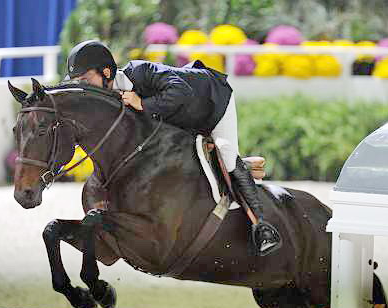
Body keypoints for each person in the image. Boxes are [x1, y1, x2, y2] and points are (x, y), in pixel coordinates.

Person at [66, 39, 281, 256]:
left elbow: (182, 92)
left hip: (212, 103)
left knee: (225, 153)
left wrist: (143, 104)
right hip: (178, 116)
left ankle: (262, 226)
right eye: (77, 82)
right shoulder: (108, 99)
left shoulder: (139, 72)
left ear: (106, 72)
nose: (81, 87)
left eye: (85, 79)